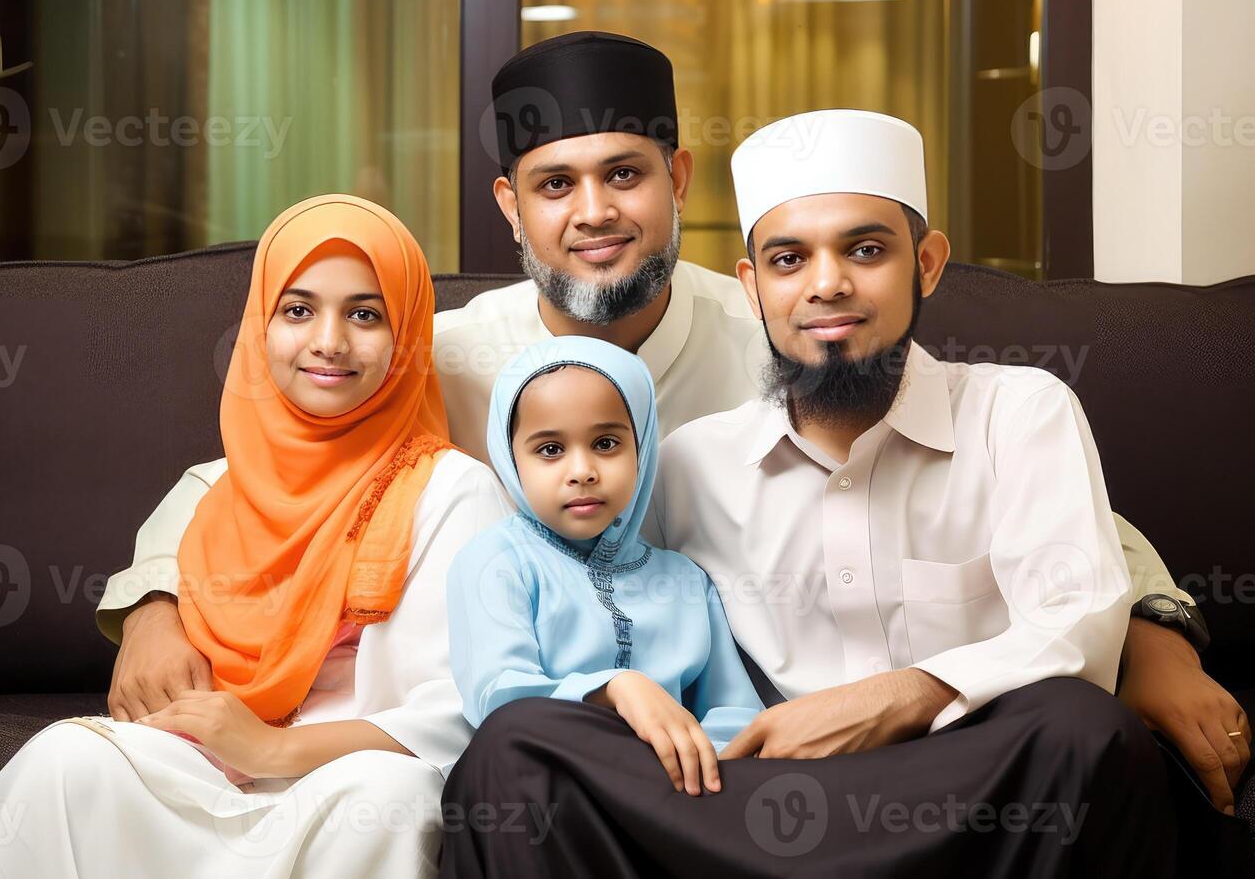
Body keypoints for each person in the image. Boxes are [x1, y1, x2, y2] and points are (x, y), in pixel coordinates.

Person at [105, 33, 1249, 816]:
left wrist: (1151, 639)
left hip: (776, 712)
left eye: (625, 174)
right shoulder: (447, 356)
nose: (594, 212)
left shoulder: (790, 329)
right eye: (555, 184)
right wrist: (157, 603)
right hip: (603, 722)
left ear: (678, 179)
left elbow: (1041, 498)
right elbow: (257, 466)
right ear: (511, 207)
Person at [437, 111, 1185, 876]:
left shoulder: (1020, 412)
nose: (827, 284)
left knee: (1085, 730)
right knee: (517, 748)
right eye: (790, 260)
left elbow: (1079, 627)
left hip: (965, 786)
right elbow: (612, 607)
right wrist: (628, 695)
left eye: (865, 250)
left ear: (926, 264)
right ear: (753, 287)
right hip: (747, 804)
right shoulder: (692, 463)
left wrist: (899, 697)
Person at [0, 195, 512, 878]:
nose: (329, 340)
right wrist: (158, 626)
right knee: (70, 755)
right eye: (298, 310)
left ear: (407, 334)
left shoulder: (453, 492)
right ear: (261, 328)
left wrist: (270, 750)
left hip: (344, 774)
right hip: (204, 762)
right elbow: (156, 605)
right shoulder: (213, 489)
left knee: (394, 796)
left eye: (365, 313)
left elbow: (463, 710)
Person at [446, 336, 763, 797]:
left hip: (678, 794)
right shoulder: (496, 562)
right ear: (511, 458)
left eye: (606, 443)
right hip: (552, 790)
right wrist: (614, 687)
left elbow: (736, 710)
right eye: (550, 450)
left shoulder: (685, 581)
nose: (582, 471)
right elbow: (498, 697)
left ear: (643, 448)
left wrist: (699, 760)